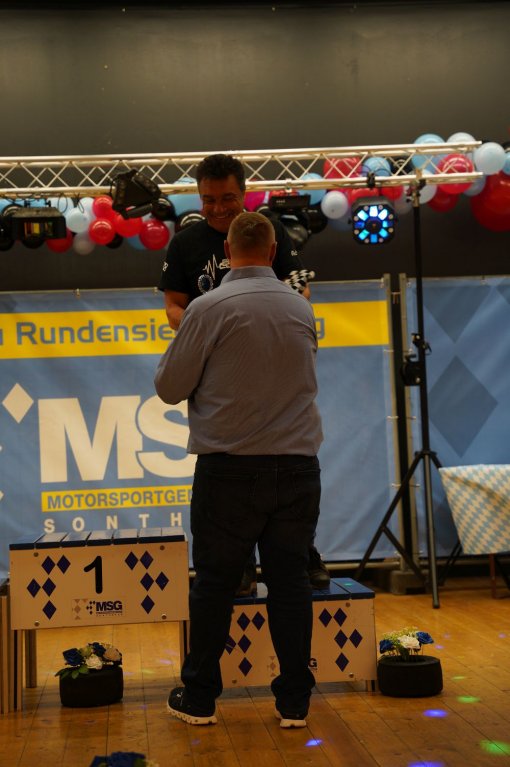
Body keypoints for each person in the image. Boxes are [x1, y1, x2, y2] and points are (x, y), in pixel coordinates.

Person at [155, 211, 323, 727]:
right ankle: (294, 703)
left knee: (214, 584)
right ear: (272, 253)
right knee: (291, 583)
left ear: (227, 252)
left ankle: (200, 698)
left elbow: (169, 387)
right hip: (297, 467)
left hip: (228, 471)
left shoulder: (207, 307)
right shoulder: (300, 308)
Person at [158, 153, 330, 593]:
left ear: (244, 194)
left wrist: (250, 315)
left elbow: (301, 291)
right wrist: (207, 325)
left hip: (267, 360)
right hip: (216, 360)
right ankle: (238, 566)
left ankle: (301, 553)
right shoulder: (185, 243)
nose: (218, 208)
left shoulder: (269, 232)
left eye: (227, 198)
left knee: (283, 498)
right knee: (224, 561)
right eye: (208, 199)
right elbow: (173, 306)